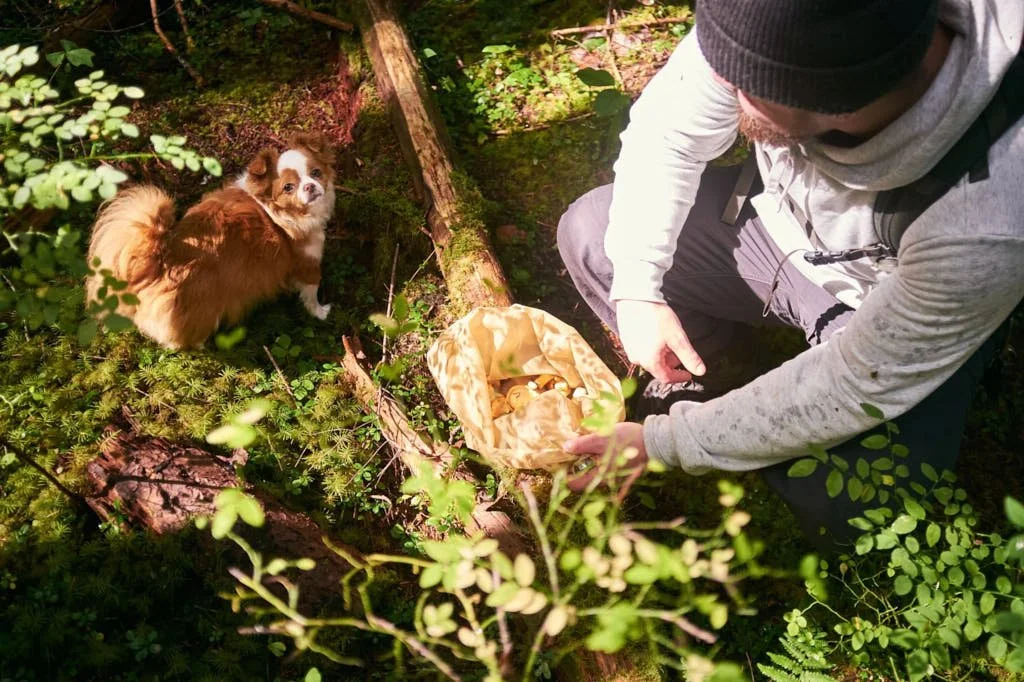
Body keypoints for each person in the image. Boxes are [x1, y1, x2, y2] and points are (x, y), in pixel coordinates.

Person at [556, 0, 1024, 550]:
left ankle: (734, 430)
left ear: (837, 103)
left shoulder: (988, 216)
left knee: (852, 505)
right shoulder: (777, 29)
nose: (715, 81)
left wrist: (667, 444)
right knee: (594, 234)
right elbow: (667, 136)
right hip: (775, 233)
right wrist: (638, 284)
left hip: (890, 309)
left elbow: (855, 382)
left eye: (743, 86)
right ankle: (706, 373)